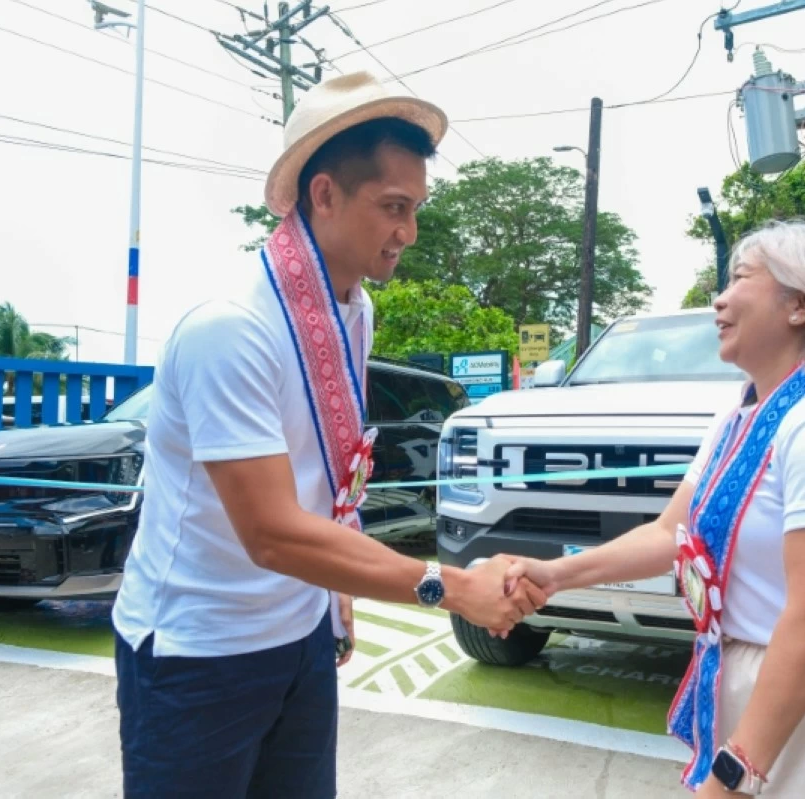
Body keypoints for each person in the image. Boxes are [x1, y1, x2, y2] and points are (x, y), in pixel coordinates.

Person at [111, 72, 544, 798]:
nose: (408, 231)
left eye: (415, 209)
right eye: (393, 208)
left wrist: (332, 593)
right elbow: (273, 533)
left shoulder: (354, 309)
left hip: (299, 635)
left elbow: (326, 470)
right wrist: (454, 586)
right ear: (323, 194)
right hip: (198, 652)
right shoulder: (231, 328)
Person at [504, 221, 805, 797]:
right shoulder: (741, 417)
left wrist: (735, 774)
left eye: (739, 279)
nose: (719, 298)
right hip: (768, 694)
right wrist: (556, 574)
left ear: (801, 304)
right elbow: (671, 533)